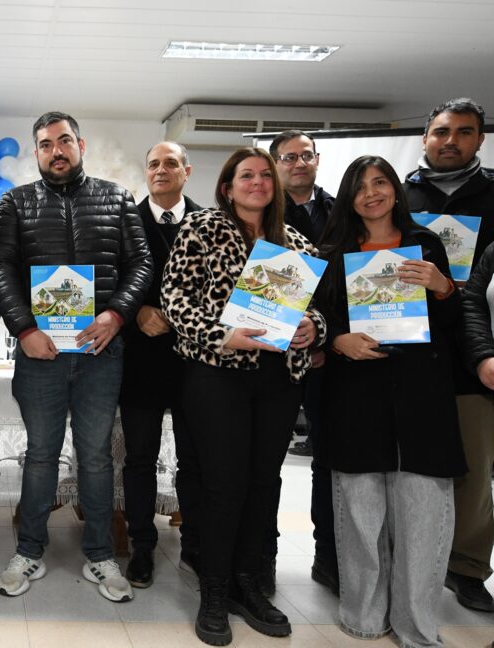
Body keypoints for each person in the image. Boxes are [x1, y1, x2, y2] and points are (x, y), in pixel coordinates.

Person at [161, 147, 324, 645]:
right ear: (227, 187)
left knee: (262, 484)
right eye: (246, 175)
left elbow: (317, 310)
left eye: (264, 176)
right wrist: (223, 335)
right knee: (223, 485)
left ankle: (248, 584)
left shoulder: (296, 243)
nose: (257, 182)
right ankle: (214, 589)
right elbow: (174, 299)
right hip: (218, 375)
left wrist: (312, 329)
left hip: (279, 380)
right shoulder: (202, 228)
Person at [0, 111, 152, 602]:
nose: (55, 151)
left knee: (96, 457)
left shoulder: (117, 197)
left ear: (81, 146)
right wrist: (23, 328)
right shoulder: (15, 202)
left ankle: (100, 554)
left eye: (63, 141)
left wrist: (116, 315)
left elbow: (141, 263)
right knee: (40, 454)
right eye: (45, 144)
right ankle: (29, 551)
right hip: (40, 353)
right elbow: (0, 268)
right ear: (37, 152)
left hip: (101, 351)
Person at [315, 155, 465, 646]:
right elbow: (319, 317)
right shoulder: (332, 252)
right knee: (360, 518)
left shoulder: (426, 244)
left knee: (423, 518)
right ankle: (363, 616)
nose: (371, 194)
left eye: (380, 182)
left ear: (396, 190)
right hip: (355, 395)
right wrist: (338, 340)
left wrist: (442, 288)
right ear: (348, 198)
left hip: (422, 397)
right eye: (360, 187)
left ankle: (416, 626)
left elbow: (452, 324)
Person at [404, 97, 494, 613]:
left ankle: (467, 567)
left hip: (472, 355)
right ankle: (404, 558)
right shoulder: (397, 194)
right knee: (405, 465)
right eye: (441, 131)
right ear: (425, 137)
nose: (451, 141)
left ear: (479, 139)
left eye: (463, 132)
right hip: (407, 347)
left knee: (474, 469)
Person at [119, 141, 202, 587]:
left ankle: (194, 544)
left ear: (187, 171)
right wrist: (136, 311)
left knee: (195, 459)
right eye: (153, 164)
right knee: (139, 459)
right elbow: (110, 279)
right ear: (146, 172)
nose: (161, 170)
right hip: (140, 361)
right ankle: (142, 546)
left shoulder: (210, 223)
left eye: (171, 163)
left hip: (196, 362)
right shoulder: (125, 221)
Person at [267, 129, 339, 596]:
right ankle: (263, 556)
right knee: (264, 462)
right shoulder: (260, 212)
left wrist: (325, 333)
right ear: (275, 164)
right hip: (271, 357)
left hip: (333, 355)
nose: (298, 163)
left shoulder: (341, 211)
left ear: (317, 159)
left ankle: (328, 556)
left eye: (305, 155)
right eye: (288, 157)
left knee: (327, 458)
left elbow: (344, 283)